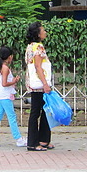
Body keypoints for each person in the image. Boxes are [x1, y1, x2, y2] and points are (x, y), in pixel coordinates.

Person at [0, 47, 27, 148]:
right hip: (5, 96)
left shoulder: (1, 66)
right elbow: (4, 83)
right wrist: (14, 81)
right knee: (12, 117)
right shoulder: (5, 68)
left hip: (1, 95)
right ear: (9, 57)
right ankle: (18, 139)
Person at [25, 21, 53, 151]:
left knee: (40, 111)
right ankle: (33, 142)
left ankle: (43, 139)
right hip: (39, 85)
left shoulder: (30, 46)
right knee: (38, 112)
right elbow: (38, 66)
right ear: (38, 33)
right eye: (43, 30)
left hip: (33, 83)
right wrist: (45, 83)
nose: (45, 32)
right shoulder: (39, 47)